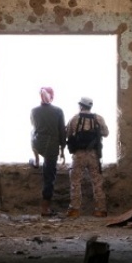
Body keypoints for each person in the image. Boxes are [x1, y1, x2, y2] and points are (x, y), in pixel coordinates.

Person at [65, 97, 109, 218]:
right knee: (97, 182)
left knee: (75, 182)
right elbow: (106, 133)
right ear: (90, 106)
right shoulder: (98, 118)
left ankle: (74, 209)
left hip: (78, 155)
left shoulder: (74, 119)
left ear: (81, 106)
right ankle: (101, 209)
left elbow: (67, 134)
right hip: (94, 154)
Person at [30, 87, 66, 216]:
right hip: (51, 146)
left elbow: (34, 126)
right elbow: (62, 132)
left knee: (32, 133)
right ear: (52, 97)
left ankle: (36, 160)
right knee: (49, 178)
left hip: (37, 144)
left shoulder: (34, 111)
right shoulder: (58, 111)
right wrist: (63, 151)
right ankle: (45, 208)